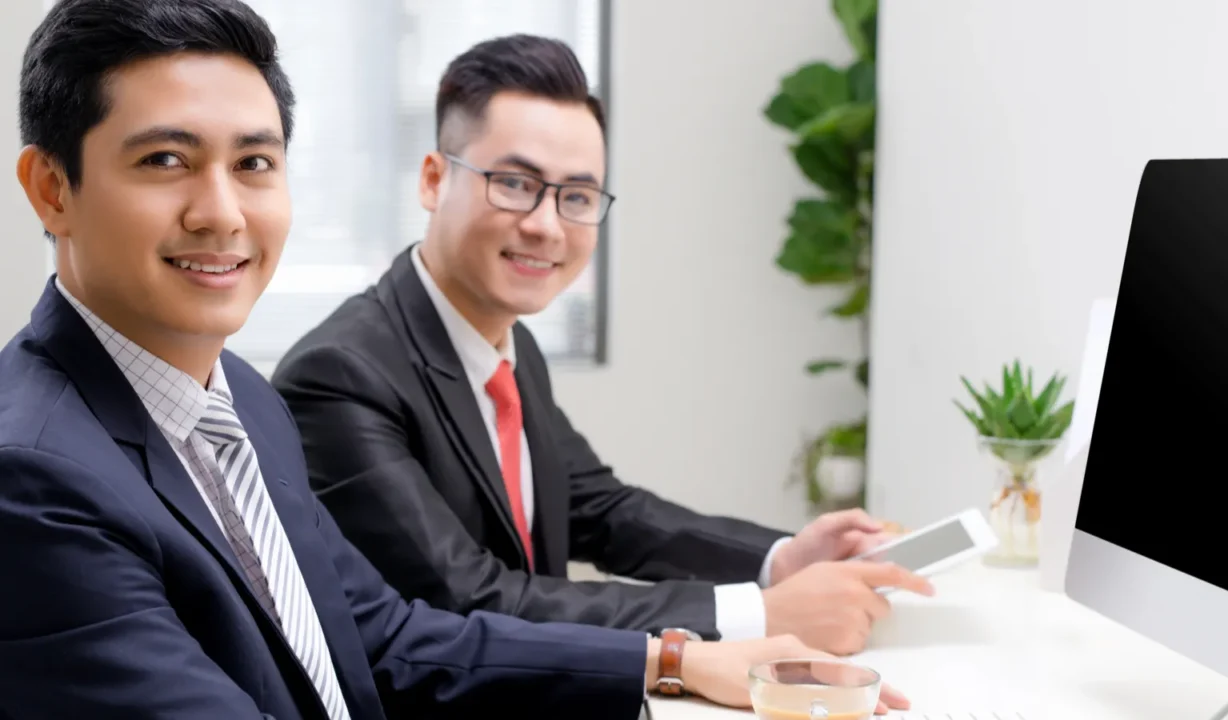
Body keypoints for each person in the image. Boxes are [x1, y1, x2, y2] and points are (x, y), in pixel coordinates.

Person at [0, 1, 914, 717]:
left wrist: (682, 654)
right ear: (53, 189)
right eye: (165, 160)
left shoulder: (235, 397)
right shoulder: (35, 477)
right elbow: (467, 596)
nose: (222, 212)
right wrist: (742, 617)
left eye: (254, 164)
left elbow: (382, 635)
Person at [270, 33, 935, 658]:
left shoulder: (507, 346)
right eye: (514, 184)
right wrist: (758, 616)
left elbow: (602, 510)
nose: (546, 226)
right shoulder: (340, 376)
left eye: (578, 195)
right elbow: (471, 596)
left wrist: (780, 559)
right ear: (433, 180)